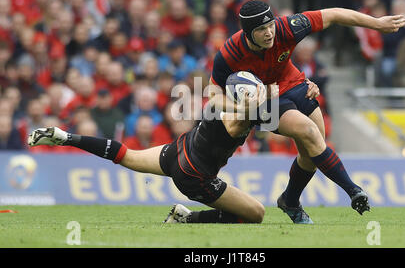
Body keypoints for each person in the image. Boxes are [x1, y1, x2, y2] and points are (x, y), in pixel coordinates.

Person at [208, 0, 405, 223]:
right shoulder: (230, 53)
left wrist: (377, 24)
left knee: (312, 153)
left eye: (270, 25)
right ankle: (353, 190)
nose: (269, 32)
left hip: (294, 85)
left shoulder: (287, 27)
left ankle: (290, 200)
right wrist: (242, 107)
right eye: (261, 29)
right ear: (247, 33)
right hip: (265, 100)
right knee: (309, 132)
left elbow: (334, 13)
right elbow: (213, 95)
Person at [27, 82, 308, 224]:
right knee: (255, 214)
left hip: (177, 151)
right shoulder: (240, 117)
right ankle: (187, 218)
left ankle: (66, 137)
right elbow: (262, 113)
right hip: (194, 176)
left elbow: (260, 106)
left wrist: (292, 88)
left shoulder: (223, 105)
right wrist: (282, 93)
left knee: (127, 156)